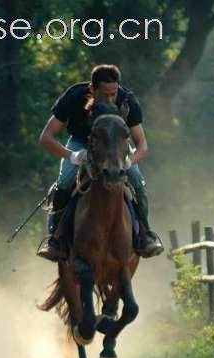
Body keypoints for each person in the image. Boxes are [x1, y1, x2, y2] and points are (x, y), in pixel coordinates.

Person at [36, 64, 164, 261]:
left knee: (137, 180)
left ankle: (144, 235)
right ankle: (56, 240)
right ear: (92, 89)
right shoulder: (74, 96)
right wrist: (73, 156)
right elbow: (46, 137)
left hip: (116, 147)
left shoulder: (126, 98)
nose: (111, 99)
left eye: (114, 94)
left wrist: (130, 160)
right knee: (64, 182)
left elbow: (142, 144)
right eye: (105, 94)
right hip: (80, 144)